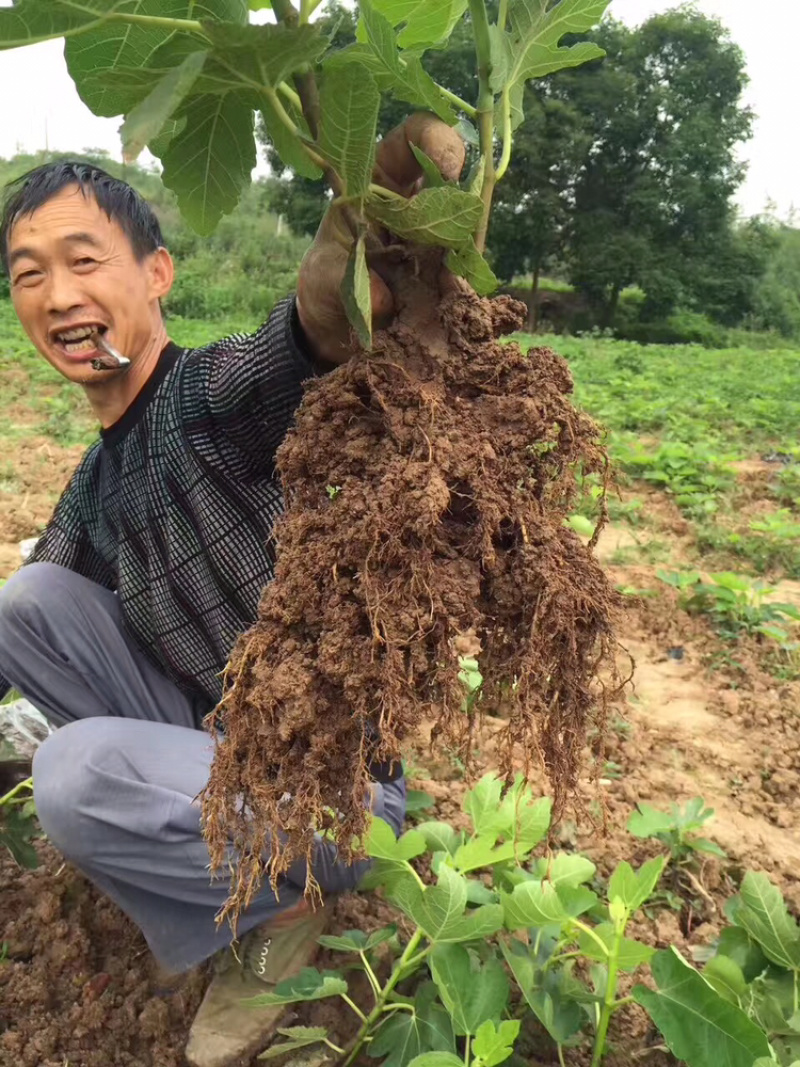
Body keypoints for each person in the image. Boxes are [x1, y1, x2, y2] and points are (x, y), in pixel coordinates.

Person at [0, 114, 464, 1067]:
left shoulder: (206, 397)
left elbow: (297, 340)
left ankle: (278, 904)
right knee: (26, 603)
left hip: (331, 800)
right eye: (29, 275)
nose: (59, 294)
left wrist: (348, 267)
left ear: (158, 275)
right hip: (224, 757)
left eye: (84, 260)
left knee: (73, 776)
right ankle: (213, 847)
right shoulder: (96, 482)